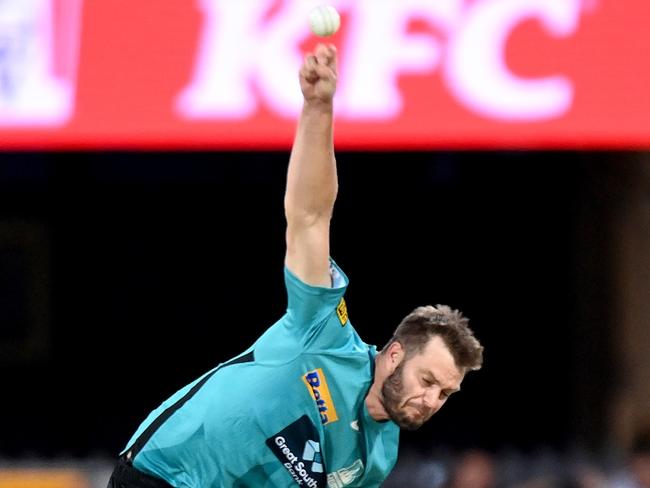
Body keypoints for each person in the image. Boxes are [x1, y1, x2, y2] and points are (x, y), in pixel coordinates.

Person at [107, 43, 483, 488]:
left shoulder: (376, 458)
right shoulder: (324, 331)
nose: (431, 399)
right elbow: (309, 216)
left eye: (444, 393)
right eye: (427, 380)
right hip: (163, 474)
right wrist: (318, 107)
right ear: (396, 353)